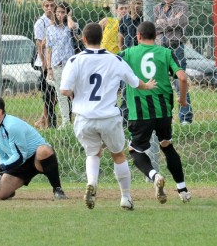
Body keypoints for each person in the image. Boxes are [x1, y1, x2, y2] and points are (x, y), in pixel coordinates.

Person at [60, 23, 157, 210]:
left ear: (84, 39)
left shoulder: (74, 60)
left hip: (84, 118)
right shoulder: (115, 60)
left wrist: (76, 93)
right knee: (118, 155)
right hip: (108, 117)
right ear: (102, 38)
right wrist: (148, 85)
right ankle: (126, 198)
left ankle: (92, 183)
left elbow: (65, 90)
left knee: (93, 153)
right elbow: (136, 83)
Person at [118, 21, 191, 203]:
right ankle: (182, 190)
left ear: (138, 36)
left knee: (135, 149)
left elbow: (110, 65)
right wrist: (182, 100)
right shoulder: (166, 53)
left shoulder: (128, 53)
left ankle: (154, 175)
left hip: (139, 111)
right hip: (163, 109)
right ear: (156, 36)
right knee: (166, 144)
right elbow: (182, 77)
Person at [0, 96, 67, 201]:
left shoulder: (12, 126)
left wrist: (1, 167)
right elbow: (3, 156)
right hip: (19, 164)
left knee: (44, 150)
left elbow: (20, 156)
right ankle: (9, 191)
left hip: (36, 158)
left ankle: (57, 189)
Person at [154, 0, 193, 125]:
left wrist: (162, 22)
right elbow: (154, 27)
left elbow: (180, 22)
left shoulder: (182, 5)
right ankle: (163, 117)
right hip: (160, 49)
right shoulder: (156, 8)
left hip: (176, 47)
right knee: (160, 83)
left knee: (179, 83)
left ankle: (185, 118)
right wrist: (172, 20)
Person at [46, 2, 78, 129]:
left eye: (63, 12)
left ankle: (78, 118)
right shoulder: (50, 29)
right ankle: (65, 121)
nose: (60, 15)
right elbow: (48, 49)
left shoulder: (70, 26)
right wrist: (49, 68)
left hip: (70, 64)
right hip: (56, 64)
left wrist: (69, 17)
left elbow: (73, 27)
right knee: (60, 94)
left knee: (73, 91)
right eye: (58, 12)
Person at [118, 0, 143, 126]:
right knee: (125, 89)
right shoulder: (124, 20)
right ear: (130, 4)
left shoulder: (145, 19)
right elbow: (121, 40)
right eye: (135, 3)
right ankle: (124, 119)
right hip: (127, 59)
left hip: (141, 60)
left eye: (139, 3)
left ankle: (140, 117)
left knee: (142, 88)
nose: (137, 6)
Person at [33, 0, 57, 129]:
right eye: (46, 5)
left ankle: (42, 119)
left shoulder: (57, 20)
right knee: (49, 94)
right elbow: (39, 44)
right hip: (45, 63)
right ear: (43, 7)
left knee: (56, 94)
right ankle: (45, 121)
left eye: (51, 5)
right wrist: (44, 63)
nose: (49, 8)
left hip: (56, 61)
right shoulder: (40, 23)